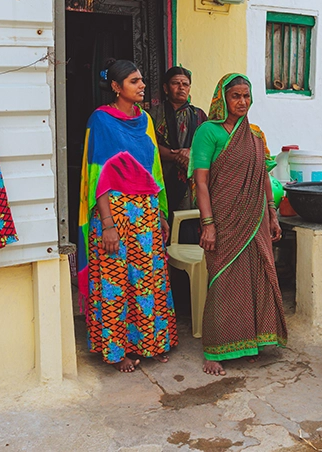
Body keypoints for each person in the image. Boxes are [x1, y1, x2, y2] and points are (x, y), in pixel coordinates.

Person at [77, 59, 178, 372]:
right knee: (115, 283)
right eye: (134, 81)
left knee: (147, 281)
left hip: (145, 213)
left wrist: (160, 212)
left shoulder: (146, 120)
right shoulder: (101, 120)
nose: (142, 86)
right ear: (116, 87)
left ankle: (151, 343)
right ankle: (117, 351)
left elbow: (153, 170)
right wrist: (107, 224)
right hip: (115, 213)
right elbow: (98, 174)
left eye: (141, 80)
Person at [190, 73, 288, 376]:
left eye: (246, 96)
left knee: (256, 277)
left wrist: (272, 214)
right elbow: (201, 181)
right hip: (223, 218)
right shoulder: (209, 132)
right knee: (223, 280)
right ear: (223, 98)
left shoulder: (255, 135)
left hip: (255, 217)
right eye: (236, 96)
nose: (242, 102)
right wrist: (208, 223)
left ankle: (248, 343)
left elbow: (262, 181)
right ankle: (214, 350)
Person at [148, 66, 207, 225]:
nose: (181, 87)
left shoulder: (199, 115)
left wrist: (192, 153)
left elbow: (209, 148)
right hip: (162, 179)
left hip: (192, 184)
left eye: (185, 84)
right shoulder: (153, 115)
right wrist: (179, 156)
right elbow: (147, 148)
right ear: (166, 88)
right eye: (176, 83)